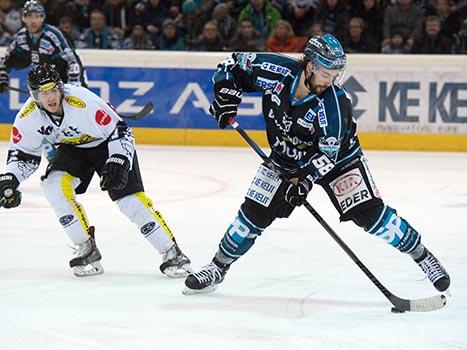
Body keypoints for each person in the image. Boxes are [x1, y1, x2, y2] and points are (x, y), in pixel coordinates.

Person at [183, 34, 450, 294]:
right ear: (309, 65)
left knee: (371, 216)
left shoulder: (335, 104)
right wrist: (227, 98)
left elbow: (327, 155)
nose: (330, 81)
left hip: (339, 161)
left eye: (335, 75)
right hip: (286, 156)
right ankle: (218, 267)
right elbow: (232, 65)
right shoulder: (276, 71)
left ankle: (422, 255)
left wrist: (305, 180)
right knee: (253, 213)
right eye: (325, 74)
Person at [0, 64, 192, 278]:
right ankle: (86, 247)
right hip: (73, 148)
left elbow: (121, 131)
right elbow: (23, 155)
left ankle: (172, 252)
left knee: (129, 201)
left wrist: (119, 160)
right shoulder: (29, 116)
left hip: (108, 145)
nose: (50, 97)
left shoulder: (84, 102)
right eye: (43, 93)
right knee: (54, 186)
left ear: (61, 88)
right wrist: (10, 179)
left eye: (53, 90)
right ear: (34, 96)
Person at [0, 0, 87, 92]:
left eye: (37, 16)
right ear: (23, 18)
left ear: (43, 17)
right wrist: (2, 75)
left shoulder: (54, 35)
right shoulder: (22, 36)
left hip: (65, 84)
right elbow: (8, 57)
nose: (33, 21)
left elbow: (72, 61)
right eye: (29, 16)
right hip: (44, 87)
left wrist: (74, 87)